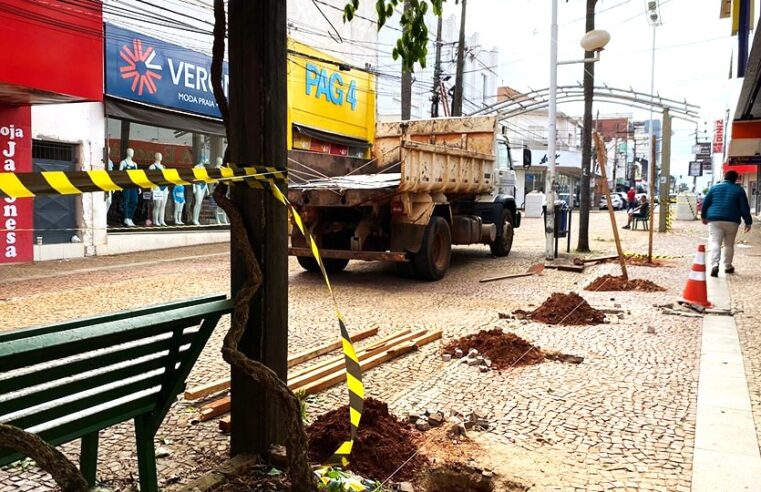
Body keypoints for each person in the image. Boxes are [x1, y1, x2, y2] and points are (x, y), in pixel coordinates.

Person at [701, 170, 752, 277]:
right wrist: (748, 222)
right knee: (729, 244)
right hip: (732, 220)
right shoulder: (739, 190)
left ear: (724, 177)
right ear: (736, 179)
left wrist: (703, 216)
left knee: (715, 242)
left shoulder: (714, 188)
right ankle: (728, 266)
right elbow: (744, 207)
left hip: (714, 219)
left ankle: (715, 265)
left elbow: (705, 203)